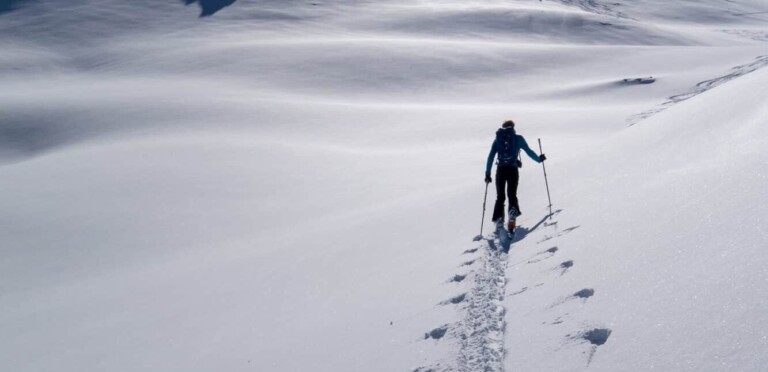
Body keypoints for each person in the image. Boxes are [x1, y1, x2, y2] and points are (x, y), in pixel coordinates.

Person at [485, 120, 546, 232]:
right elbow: (529, 151)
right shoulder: (518, 139)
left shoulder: (498, 140)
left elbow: (490, 157)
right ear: (513, 127)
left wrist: (487, 174)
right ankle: (512, 216)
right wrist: (539, 159)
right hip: (513, 170)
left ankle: (499, 219)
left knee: (500, 196)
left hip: (501, 170)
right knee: (512, 194)